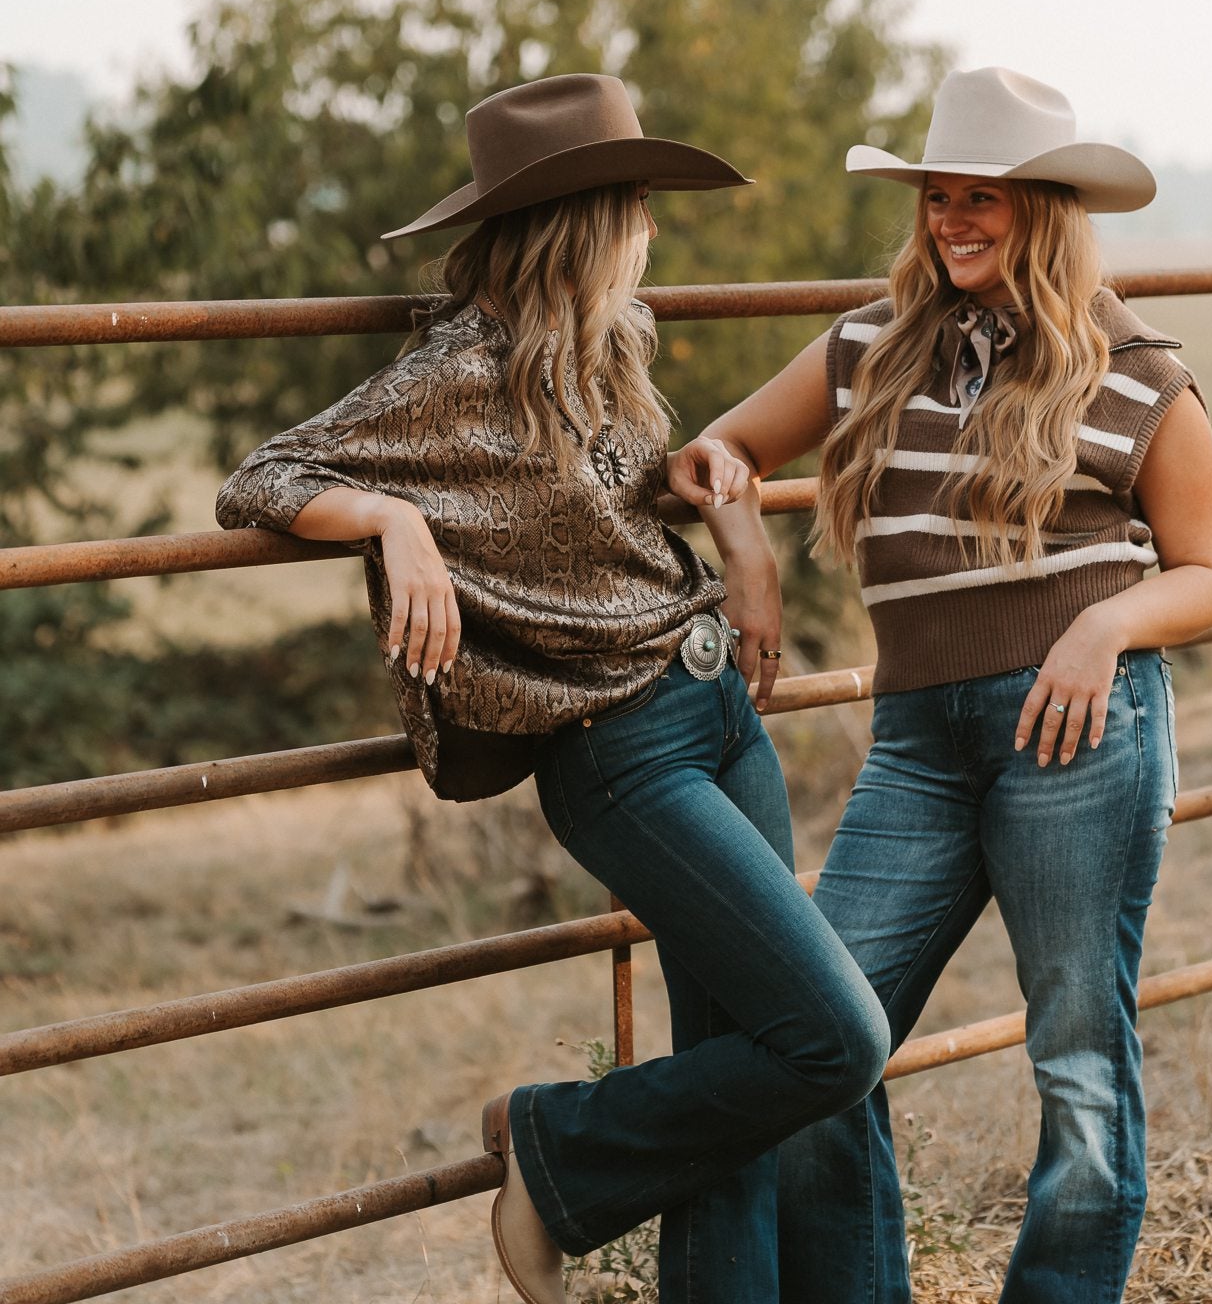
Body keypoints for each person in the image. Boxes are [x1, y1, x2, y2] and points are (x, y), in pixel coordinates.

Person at [214, 71, 889, 1304]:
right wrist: (387, 521)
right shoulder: (460, 370)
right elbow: (263, 473)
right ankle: (552, 1140)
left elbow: (633, 516)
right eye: (638, 204)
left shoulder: (611, 348)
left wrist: (742, 548)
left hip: (717, 709)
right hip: (620, 755)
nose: (651, 231)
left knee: (736, 1078)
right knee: (836, 1035)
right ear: (592, 217)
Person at [668, 66, 1212, 1304]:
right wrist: (751, 557)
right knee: (823, 1040)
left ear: (1045, 209)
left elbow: (1207, 576)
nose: (954, 219)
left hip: (1081, 732)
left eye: (985, 196)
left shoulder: (1139, 372)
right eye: (937, 194)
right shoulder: (870, 344)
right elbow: (713, 453)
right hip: (920, 742)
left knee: (1080, 1058)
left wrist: (1105, 628)